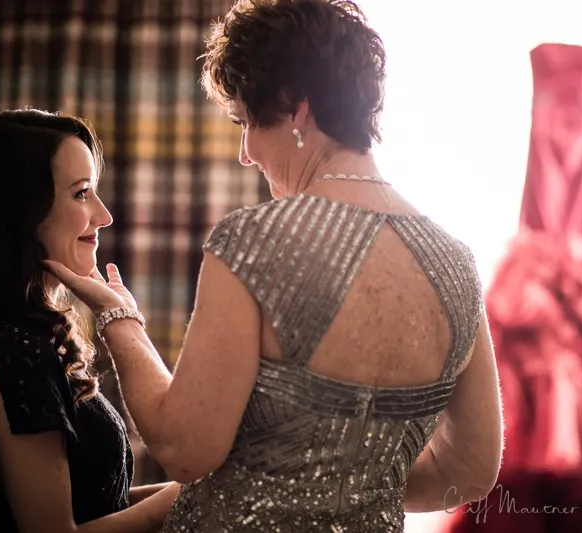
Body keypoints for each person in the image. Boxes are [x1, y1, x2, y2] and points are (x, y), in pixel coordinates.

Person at [44, 0, 504, 531]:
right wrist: (346, 495)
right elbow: (468, 470)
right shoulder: (456, 263)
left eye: (246, 122)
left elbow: (185, 449)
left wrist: (118, 318)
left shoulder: (257, 240)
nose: (246, 152)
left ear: (294, 106)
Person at [0, 109, 180, 533]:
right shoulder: (15, 345)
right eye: (81, 193)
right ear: (20, 214)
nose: (104, 215)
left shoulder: (21, 334)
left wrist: (191, 494)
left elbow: (96, 505)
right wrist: (182, 497)